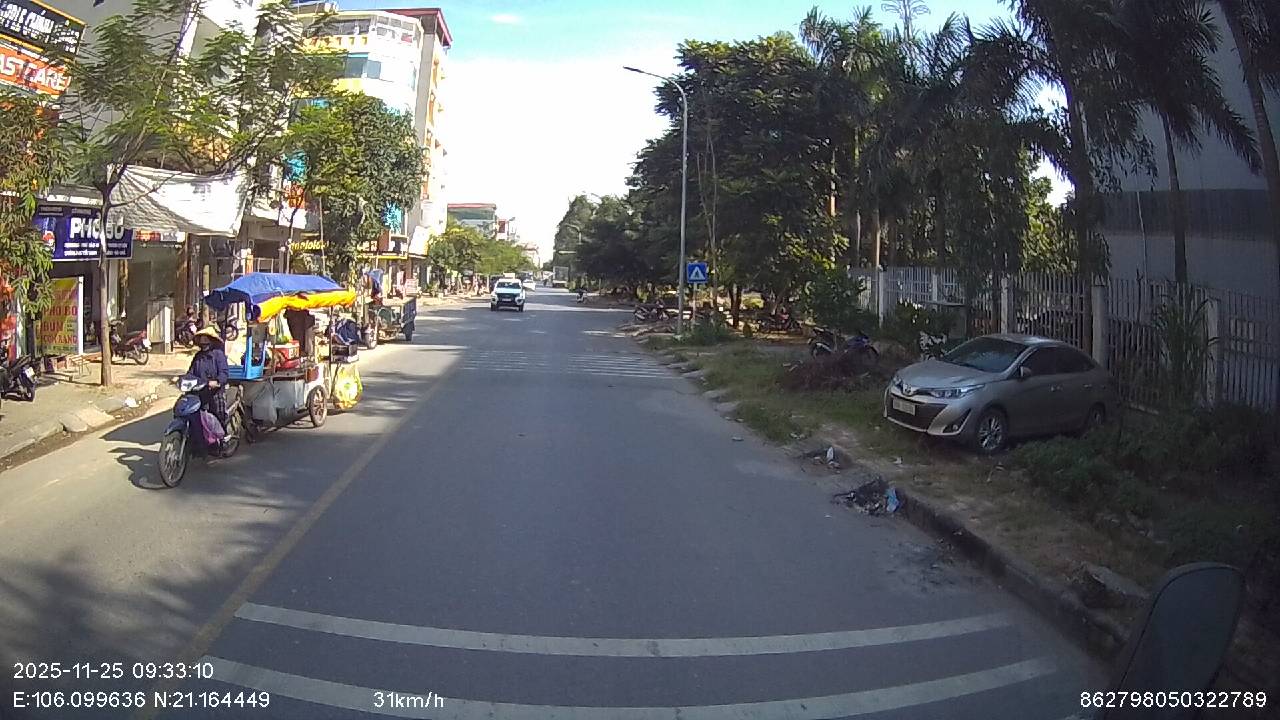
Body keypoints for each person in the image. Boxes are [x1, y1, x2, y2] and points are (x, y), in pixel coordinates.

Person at [188, 327, 229, 430]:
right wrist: (182, 379)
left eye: (206, 340)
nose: (204, 343)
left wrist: (217, 381)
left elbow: (224, 373)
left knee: (219, 415)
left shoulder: (218, 355)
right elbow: (190, 373)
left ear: (211, 341)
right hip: (200, 391)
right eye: (202, 340)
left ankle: (223, 434)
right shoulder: (198, 356)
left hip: (215, 391)